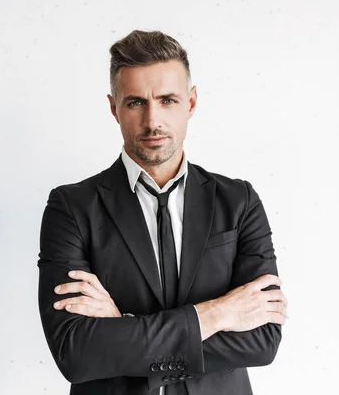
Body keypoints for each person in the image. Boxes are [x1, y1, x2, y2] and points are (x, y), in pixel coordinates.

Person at [37, 29, 288, 395]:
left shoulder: (239, 202)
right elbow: (75, 352)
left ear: (191, 103)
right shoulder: (71, 207)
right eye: (136, 102)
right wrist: (218, 315)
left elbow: (263, 340)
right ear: (114, 108)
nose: (152, 120)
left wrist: (122, 327)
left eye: (168, 100)